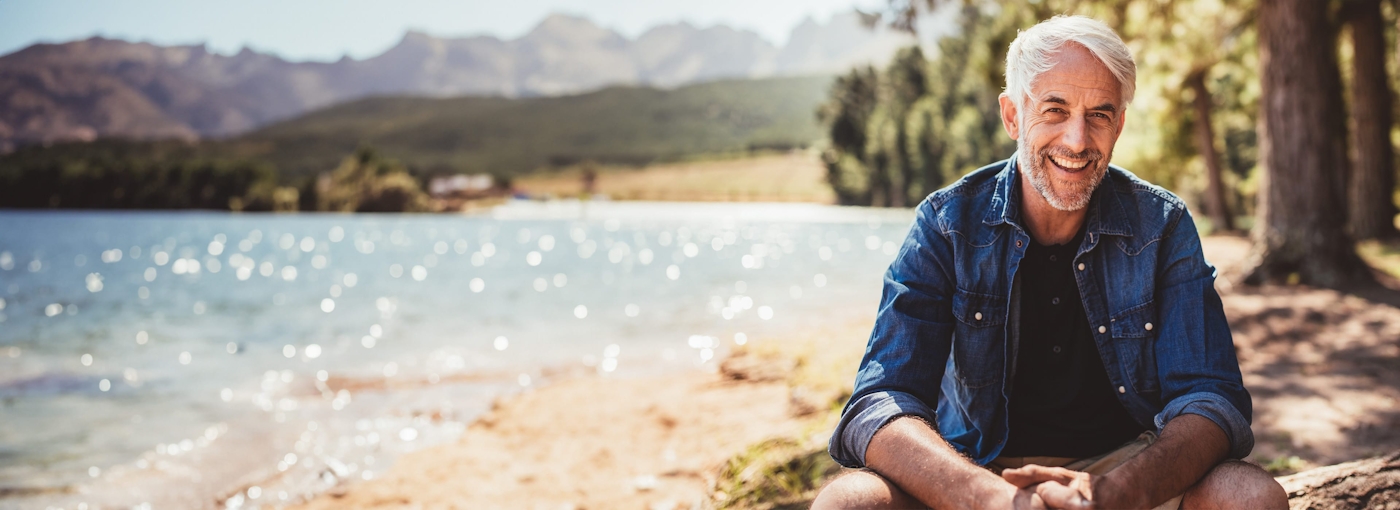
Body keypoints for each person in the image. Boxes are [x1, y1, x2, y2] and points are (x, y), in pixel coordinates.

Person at [810, 15, 1288, 510]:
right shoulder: (946, 224)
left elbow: (1212, 398)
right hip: (975, 471)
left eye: (1100, 114)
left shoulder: (1162, 225)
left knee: (1248, 496)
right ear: (1012, 115)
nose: (1078, 140)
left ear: (1119, 124)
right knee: (849, 502)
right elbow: (880, 401)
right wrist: (992, 499)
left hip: (1128, 471)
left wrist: (1113, 494)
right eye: (1054, 110)